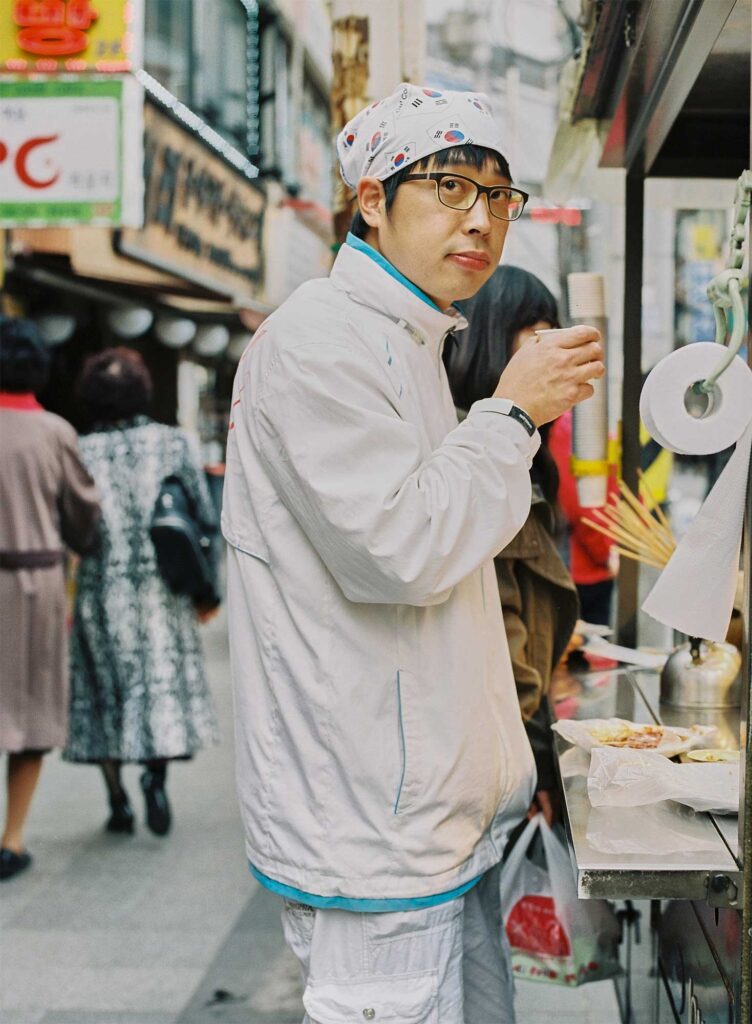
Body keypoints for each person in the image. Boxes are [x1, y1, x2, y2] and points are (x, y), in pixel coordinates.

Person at [222, 83, 603, 1023]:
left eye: (498, 197)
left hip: (433, 819)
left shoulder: (412, 338)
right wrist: (514, 413)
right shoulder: (319, 341)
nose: (480, 220)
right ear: (371, 200)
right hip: (372, 827)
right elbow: (400, 549)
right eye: (447, 187)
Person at [64, 348, 219, 837]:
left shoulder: (79, 449)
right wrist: (206, 591)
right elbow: (203, 516)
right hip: (161, 591)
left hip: (98, 591)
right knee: (153, 691)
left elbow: (70, 525)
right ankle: (155, 776)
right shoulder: (172, 443)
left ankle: (118, 801)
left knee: (103, 693)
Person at [445, 265, 580, 827]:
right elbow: (503, 633)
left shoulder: (524, 451)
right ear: (491, 338)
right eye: (535, 332)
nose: (553, 349)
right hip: (490, 759)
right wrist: (537, 767)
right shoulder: (477, 454)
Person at [0, 318, 100, 881]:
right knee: (29, 711)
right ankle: (11, 838)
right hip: (34, 584)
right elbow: (84, 511)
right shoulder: (55, 433)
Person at [549, 416, 618, 626]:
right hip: (586, 564)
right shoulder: (574, 429)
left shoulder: (574, 425)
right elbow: (583, 502)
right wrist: (604, 552)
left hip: (594, 558)